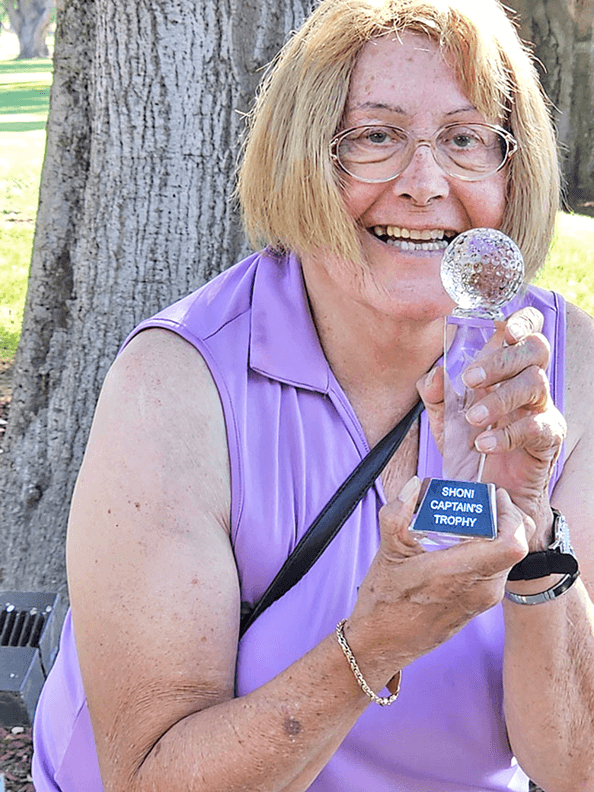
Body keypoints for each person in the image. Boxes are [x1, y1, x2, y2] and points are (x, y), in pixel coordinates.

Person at [32, 1, 594, 790]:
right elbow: (150, 776)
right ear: (302, 159)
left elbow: (576, 768)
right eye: (375, 137)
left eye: (465, 139)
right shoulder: (177, 385)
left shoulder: (561, 373)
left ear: (510, 170)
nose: (425, 185)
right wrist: (374, 643)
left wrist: (538, 547)